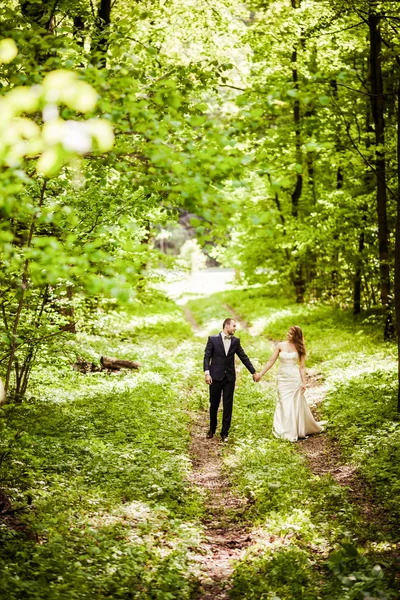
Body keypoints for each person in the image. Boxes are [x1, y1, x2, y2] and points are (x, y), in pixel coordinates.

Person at [257, 325, 323, 442]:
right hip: (282, 378)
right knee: (283, 402)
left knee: (293, 404)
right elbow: (271, 361)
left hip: (294, 378)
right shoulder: (280, 345)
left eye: (291, 333)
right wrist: (261, 374)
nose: (288, 334)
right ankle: (283, 429)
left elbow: (302, 367)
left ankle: (292, 430)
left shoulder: (300, 348)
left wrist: (304, 382)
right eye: (288, 332)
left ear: (296, 336)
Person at [203, 318, 259, 442]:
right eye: (234, 326)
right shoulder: (212, 339)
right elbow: (207, 357)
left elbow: (244, 357)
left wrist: (253, 372)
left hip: (229, 378)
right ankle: (212, 429)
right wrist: (207, 373)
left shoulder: (235, 341)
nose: (235, 328)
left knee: (228, 405)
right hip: (215, 377)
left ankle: (224, 432)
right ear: (227, 326)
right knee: (214, 404)